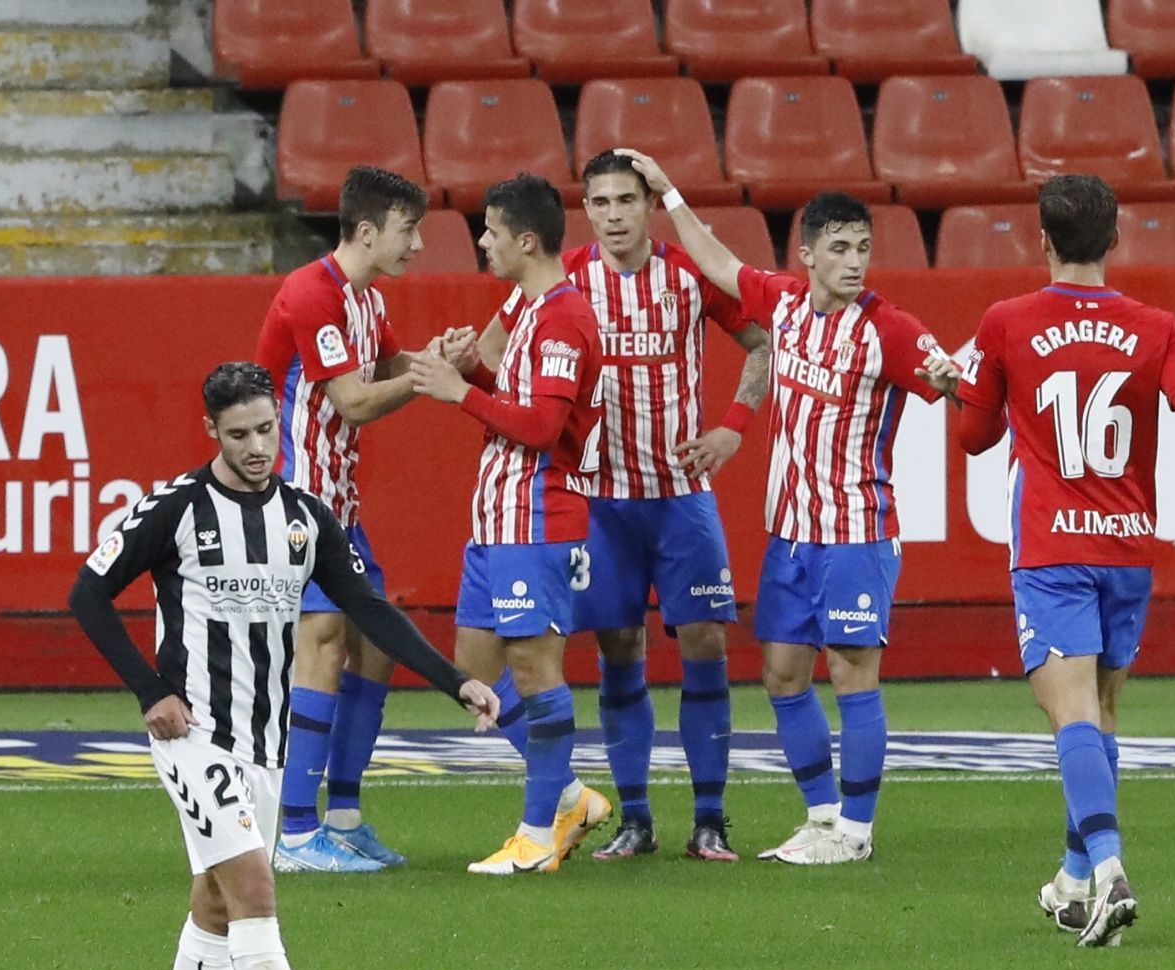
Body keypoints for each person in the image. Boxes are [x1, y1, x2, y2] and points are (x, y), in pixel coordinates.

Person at [69, 362, 500, 970]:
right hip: (196, 735)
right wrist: (151, 691)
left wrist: (454, 679)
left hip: (267, 742)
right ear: (211, 432)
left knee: (213, 901)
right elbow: (88, 593)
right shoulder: (173, 509)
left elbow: (368, 607)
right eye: (239, 434)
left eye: (266, 429)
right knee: (254, 888)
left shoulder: (305, 516)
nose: (257, 446)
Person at [616, 149, 959, 866]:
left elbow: (949, 379)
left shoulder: (887, 329)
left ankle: (857, 830)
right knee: (780, 672)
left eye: (863, 248)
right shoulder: (781, 304)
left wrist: (951, 378)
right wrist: (668, 190)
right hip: (791, 536)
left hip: (854, 532)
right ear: (807, 255)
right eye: (838, 248)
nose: (854, 261)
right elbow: (714, 261)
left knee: (850, 670)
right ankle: (822, 815)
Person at [945, 174, 1175, 947]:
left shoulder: (1006, 321)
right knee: (1102, 713)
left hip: (1050, 549)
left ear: (1040, 239)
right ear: (1113, 240)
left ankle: (1108, 871)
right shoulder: (1157, 326)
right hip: (1124, 548)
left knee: (1067, 712)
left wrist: (964, 386)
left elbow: (972, 439)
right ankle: (1073, 881)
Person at [473, 150, 773, 863]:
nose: (612, 215)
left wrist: (733, 423)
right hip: (600, 498)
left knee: (704, 642)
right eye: (600, 202)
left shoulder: (688, 274)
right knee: (617, 647)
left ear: (648, 205)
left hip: (679, 496)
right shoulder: (563, 276)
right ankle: (635, 819)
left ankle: (710, 819)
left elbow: (760, 342)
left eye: (625, 201)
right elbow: (492, 348)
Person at [255, 166, 470, 874]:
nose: (417, 245)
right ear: (370, 230)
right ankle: (292, 831)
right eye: (409, 230)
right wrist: (421, 382)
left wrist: (438, 361)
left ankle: (340, 815)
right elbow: (351, 399)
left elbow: (384, 364)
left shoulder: (366, 301)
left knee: (375, 647)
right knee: (320, 640)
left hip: (337, 503)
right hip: (294, 499)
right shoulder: (311, 293)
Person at [410, 173, 611, 875]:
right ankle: (567, 795)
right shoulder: (526, 310)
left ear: (527, 240)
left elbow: (544, 424)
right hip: (496, 519)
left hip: (537, 518)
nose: (482, 241)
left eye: (491, 230)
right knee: (474, 667)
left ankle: (535, 835)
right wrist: (475, 372)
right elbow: (521, 400)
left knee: (532, 668)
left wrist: (460, 392)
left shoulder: (563, 317)